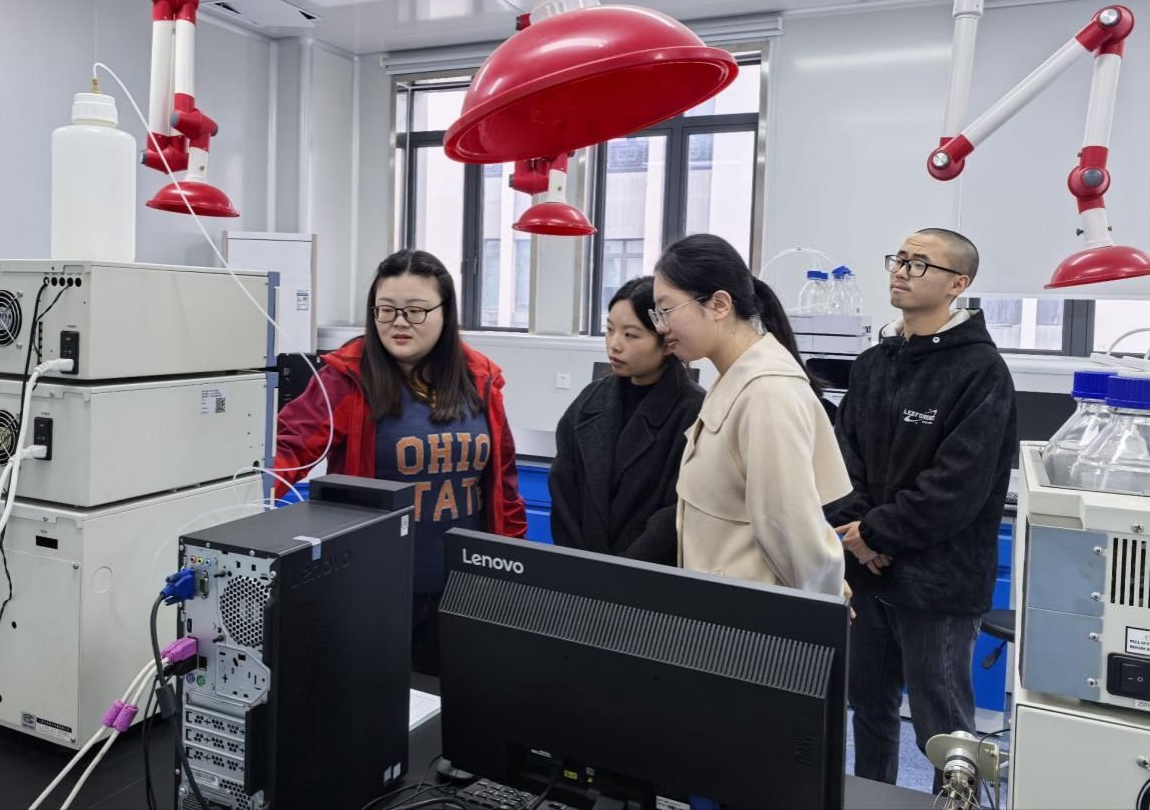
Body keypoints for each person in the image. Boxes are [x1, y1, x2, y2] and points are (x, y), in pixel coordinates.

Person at [275, 249, 527, 675]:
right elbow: (285, 451)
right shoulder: (346, 378)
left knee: (462, 701)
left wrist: (513, 566)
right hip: (375, 589)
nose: (399, 322)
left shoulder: (480, 378)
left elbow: (503, 485)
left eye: (416, 310)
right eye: (386, 310)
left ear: (446, 313)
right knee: (376, 700)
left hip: (466, 587)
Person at [826, 228, 1015, 792]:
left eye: (919, 263)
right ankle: (869, 797)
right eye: (900, 259)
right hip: (866, 573)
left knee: (945, 732)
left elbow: (957, 486)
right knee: (868, 710)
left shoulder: (981, 371)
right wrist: (860, 534)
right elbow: (842, 456)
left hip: (937, 581)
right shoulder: (872, 364)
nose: (901, 271)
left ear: (958, 284)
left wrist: (876, 533)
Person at [652, 234, 848, 596]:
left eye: (666, 310)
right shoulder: (735, 379)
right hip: (727, 604)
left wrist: (826, 600)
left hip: (755, 614)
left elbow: (792, 534)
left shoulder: (767, 392)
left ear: (719, 304)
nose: (661, 327)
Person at [549, 277, 704, 564]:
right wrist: (579, 563)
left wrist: (622, 572)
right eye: (609, 330)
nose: (614, 344)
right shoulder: (589, 400)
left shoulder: (694, 410)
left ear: (667, 342)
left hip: (647, 576)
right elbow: (563, 490)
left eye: (631, 335)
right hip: (580, 570)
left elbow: (677, 512)